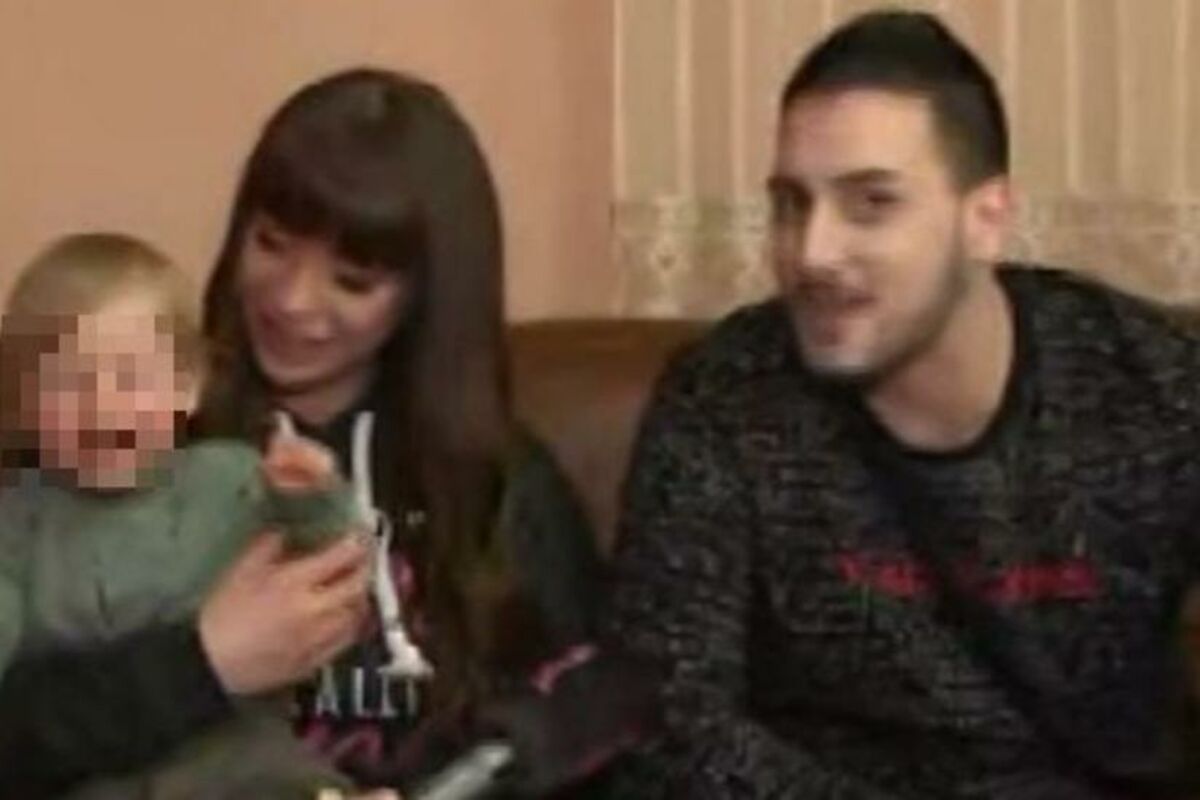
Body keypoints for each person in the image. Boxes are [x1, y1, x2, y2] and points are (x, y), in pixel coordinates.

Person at [606, 10, 1200, 799]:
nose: (812, 252)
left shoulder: (1150, 387)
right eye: (791, 204)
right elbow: (666, 721)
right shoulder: (725, 398)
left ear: (985, 220)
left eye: (871, 203)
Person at [1, 68, 641, 798]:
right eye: (270, 243)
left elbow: (599, 701)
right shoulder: (121, 433)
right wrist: (205, 662)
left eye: (353, 281)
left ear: (423, 296)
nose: (293, 300)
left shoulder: (494, 479)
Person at [0, 232, 366, 798]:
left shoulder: (231, 479)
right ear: (22, 404)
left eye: (131, 379)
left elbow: (332, 564)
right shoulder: (18, 520)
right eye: (68, 384)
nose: (102, 406)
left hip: (250, 767)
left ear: (188, 387)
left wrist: (312, 499)